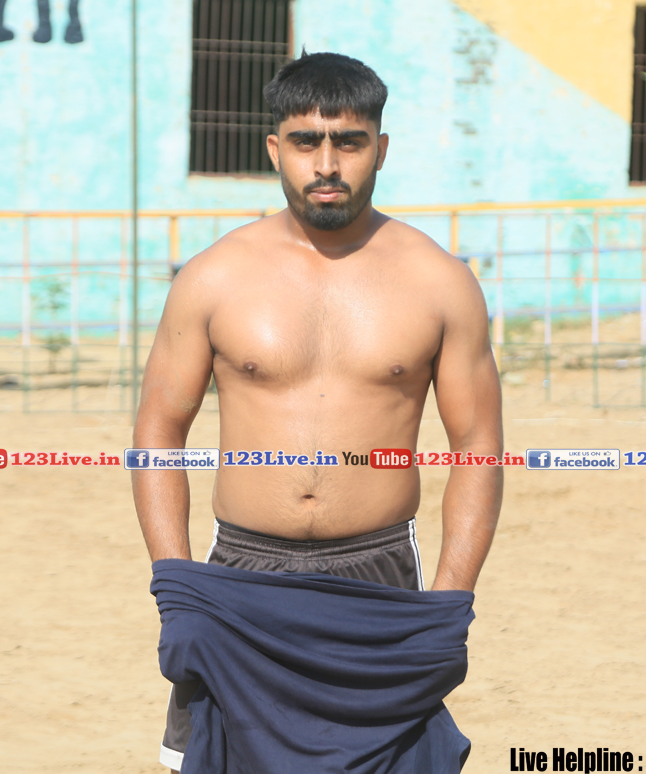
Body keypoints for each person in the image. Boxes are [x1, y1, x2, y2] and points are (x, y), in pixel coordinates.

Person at [132, 51, 503, 772]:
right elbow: (158, 430)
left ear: (380, 149)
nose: (327, 164)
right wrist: (175, 581)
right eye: (306, 142)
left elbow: (478, 447)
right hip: (242, 575)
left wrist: (451, 600)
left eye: (349, 142)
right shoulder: (214, 277)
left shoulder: (440, 282)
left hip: (376, 574)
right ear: (276, 148)